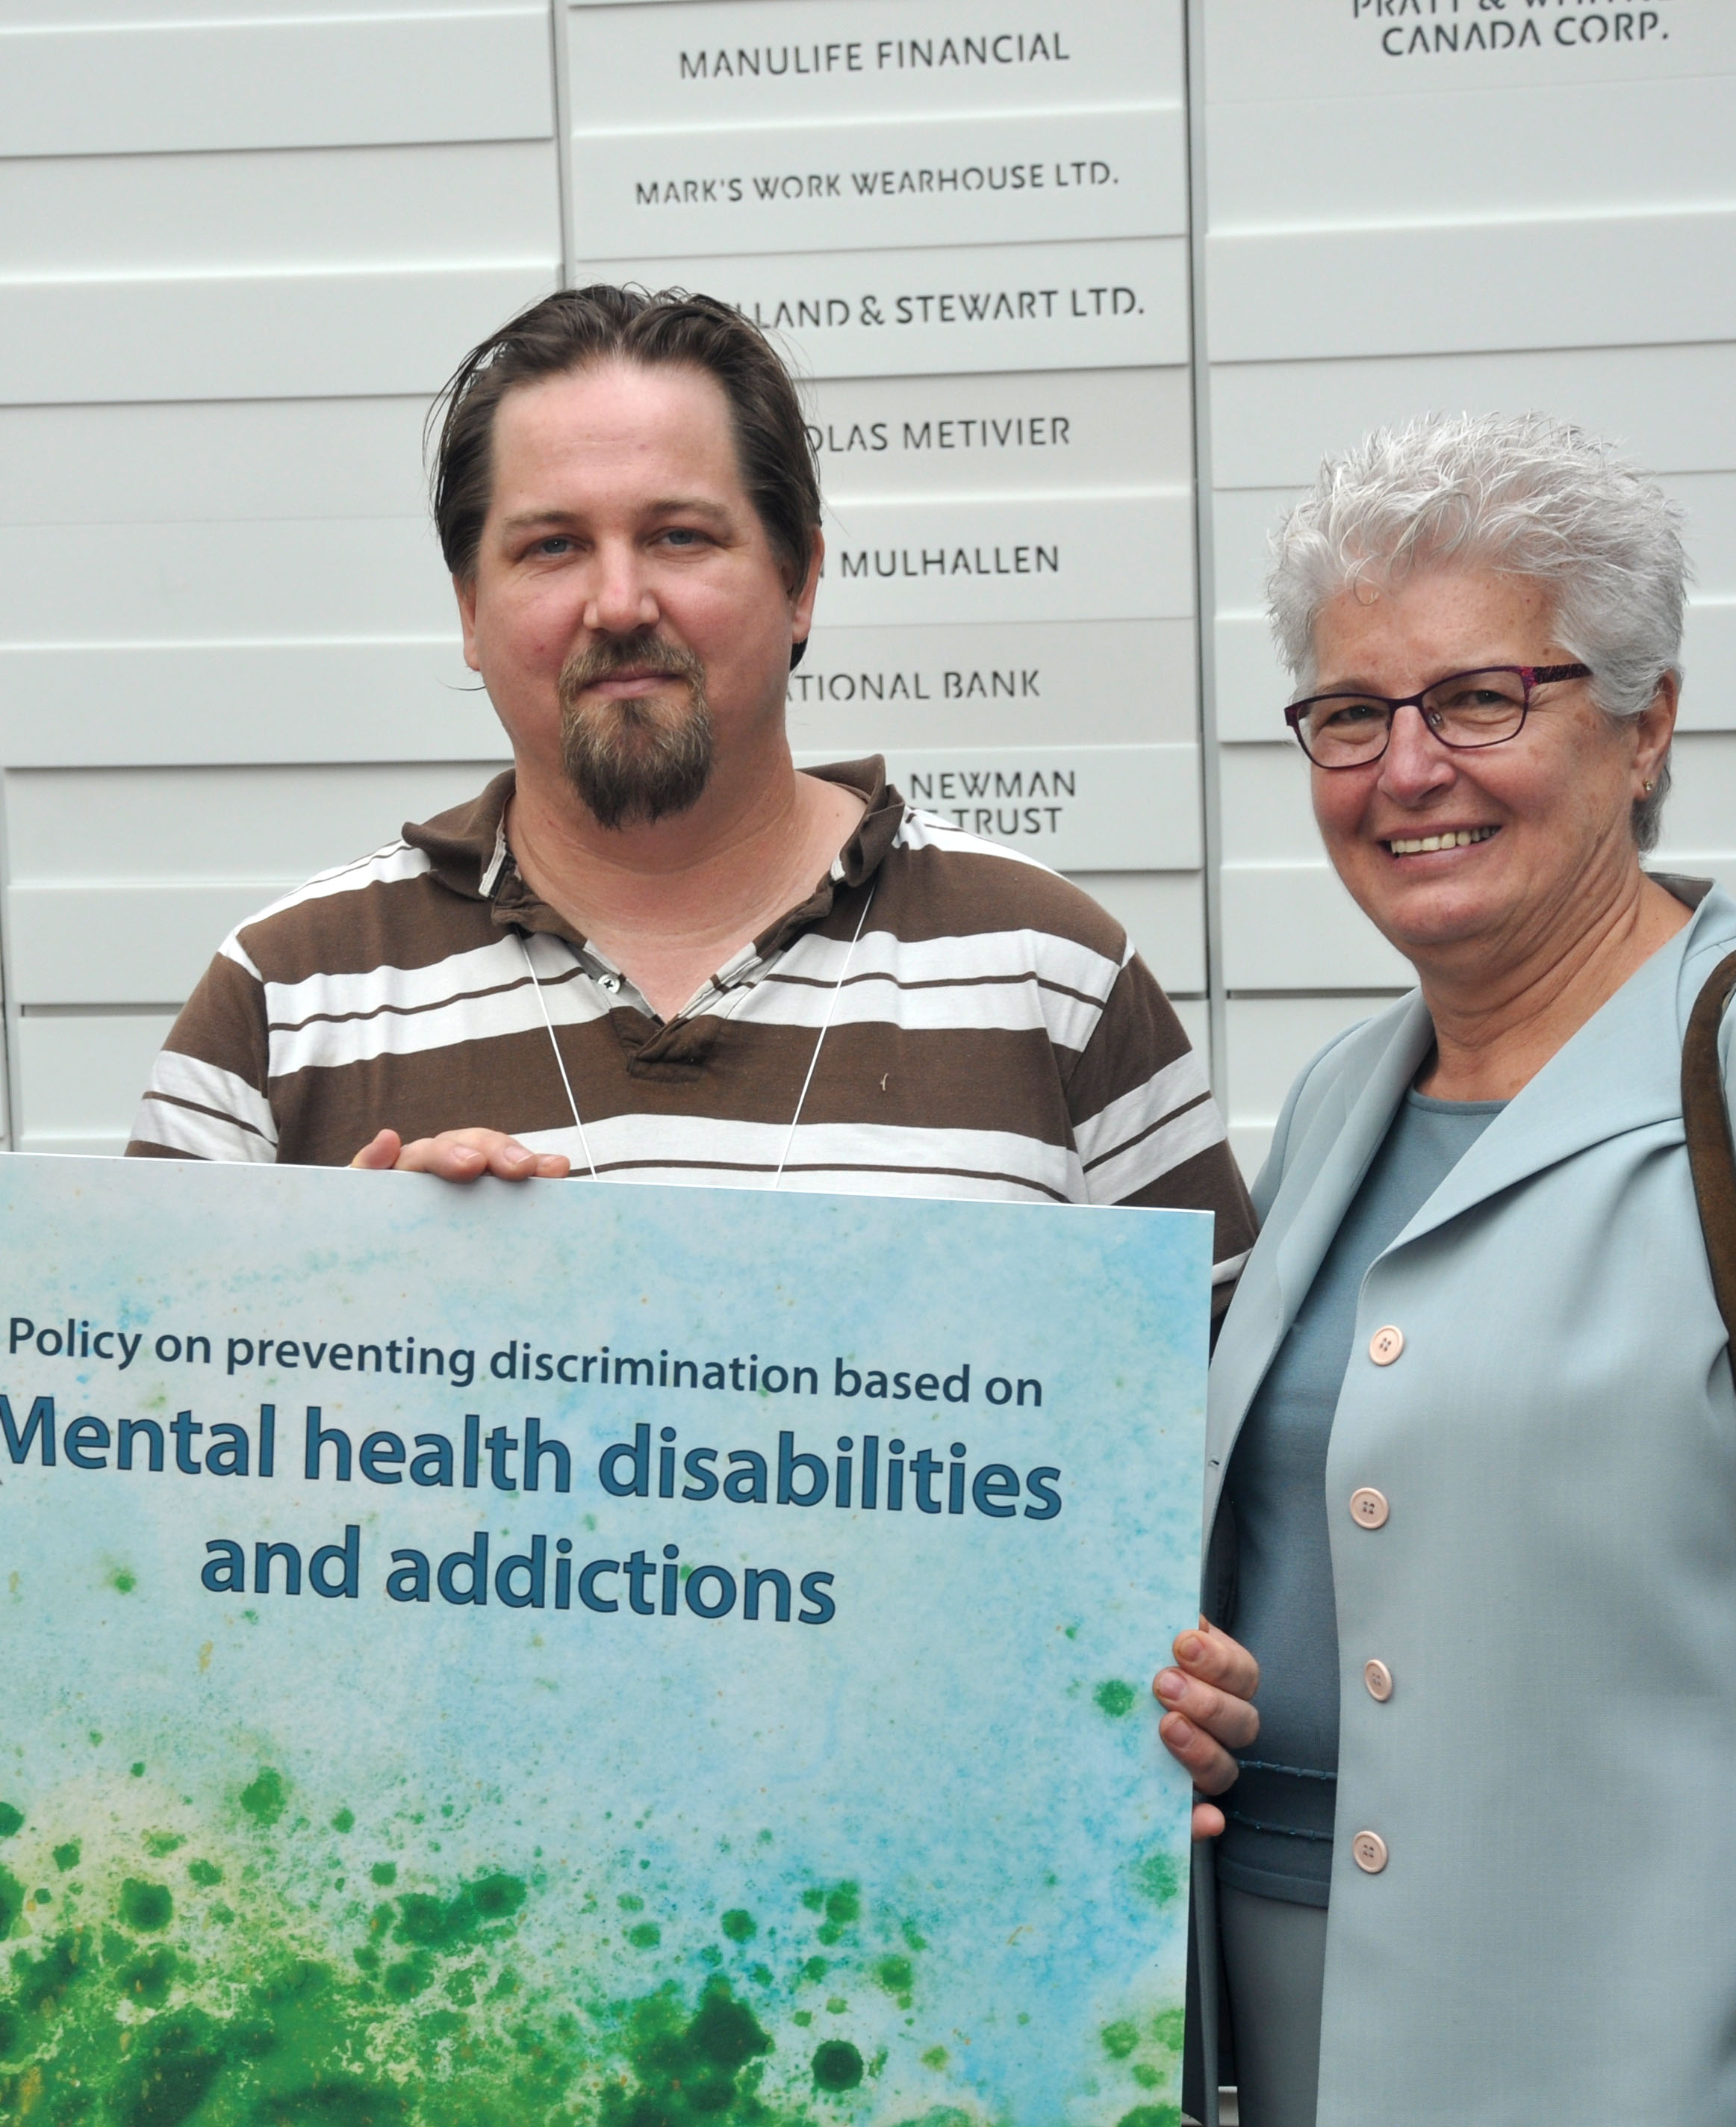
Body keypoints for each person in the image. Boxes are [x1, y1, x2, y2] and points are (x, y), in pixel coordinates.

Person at [122, 281, 1265, 1846]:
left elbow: (1233, 1478)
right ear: (465, 609)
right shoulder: (283, 1001)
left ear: (799, 578)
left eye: (680, 535)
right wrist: (328, 1321)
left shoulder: (1048, 974)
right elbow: (127, 1553)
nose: (616, 600)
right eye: (548, 546)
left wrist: (1198, 1692)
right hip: (433, 1967)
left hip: (937, 1959)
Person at [1189, 414, 1736, 2126]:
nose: (1405, 769)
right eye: (1346, 715)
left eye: (1478, 698)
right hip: (1287, 2054)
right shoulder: (1335, 1101)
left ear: (1644, 721)